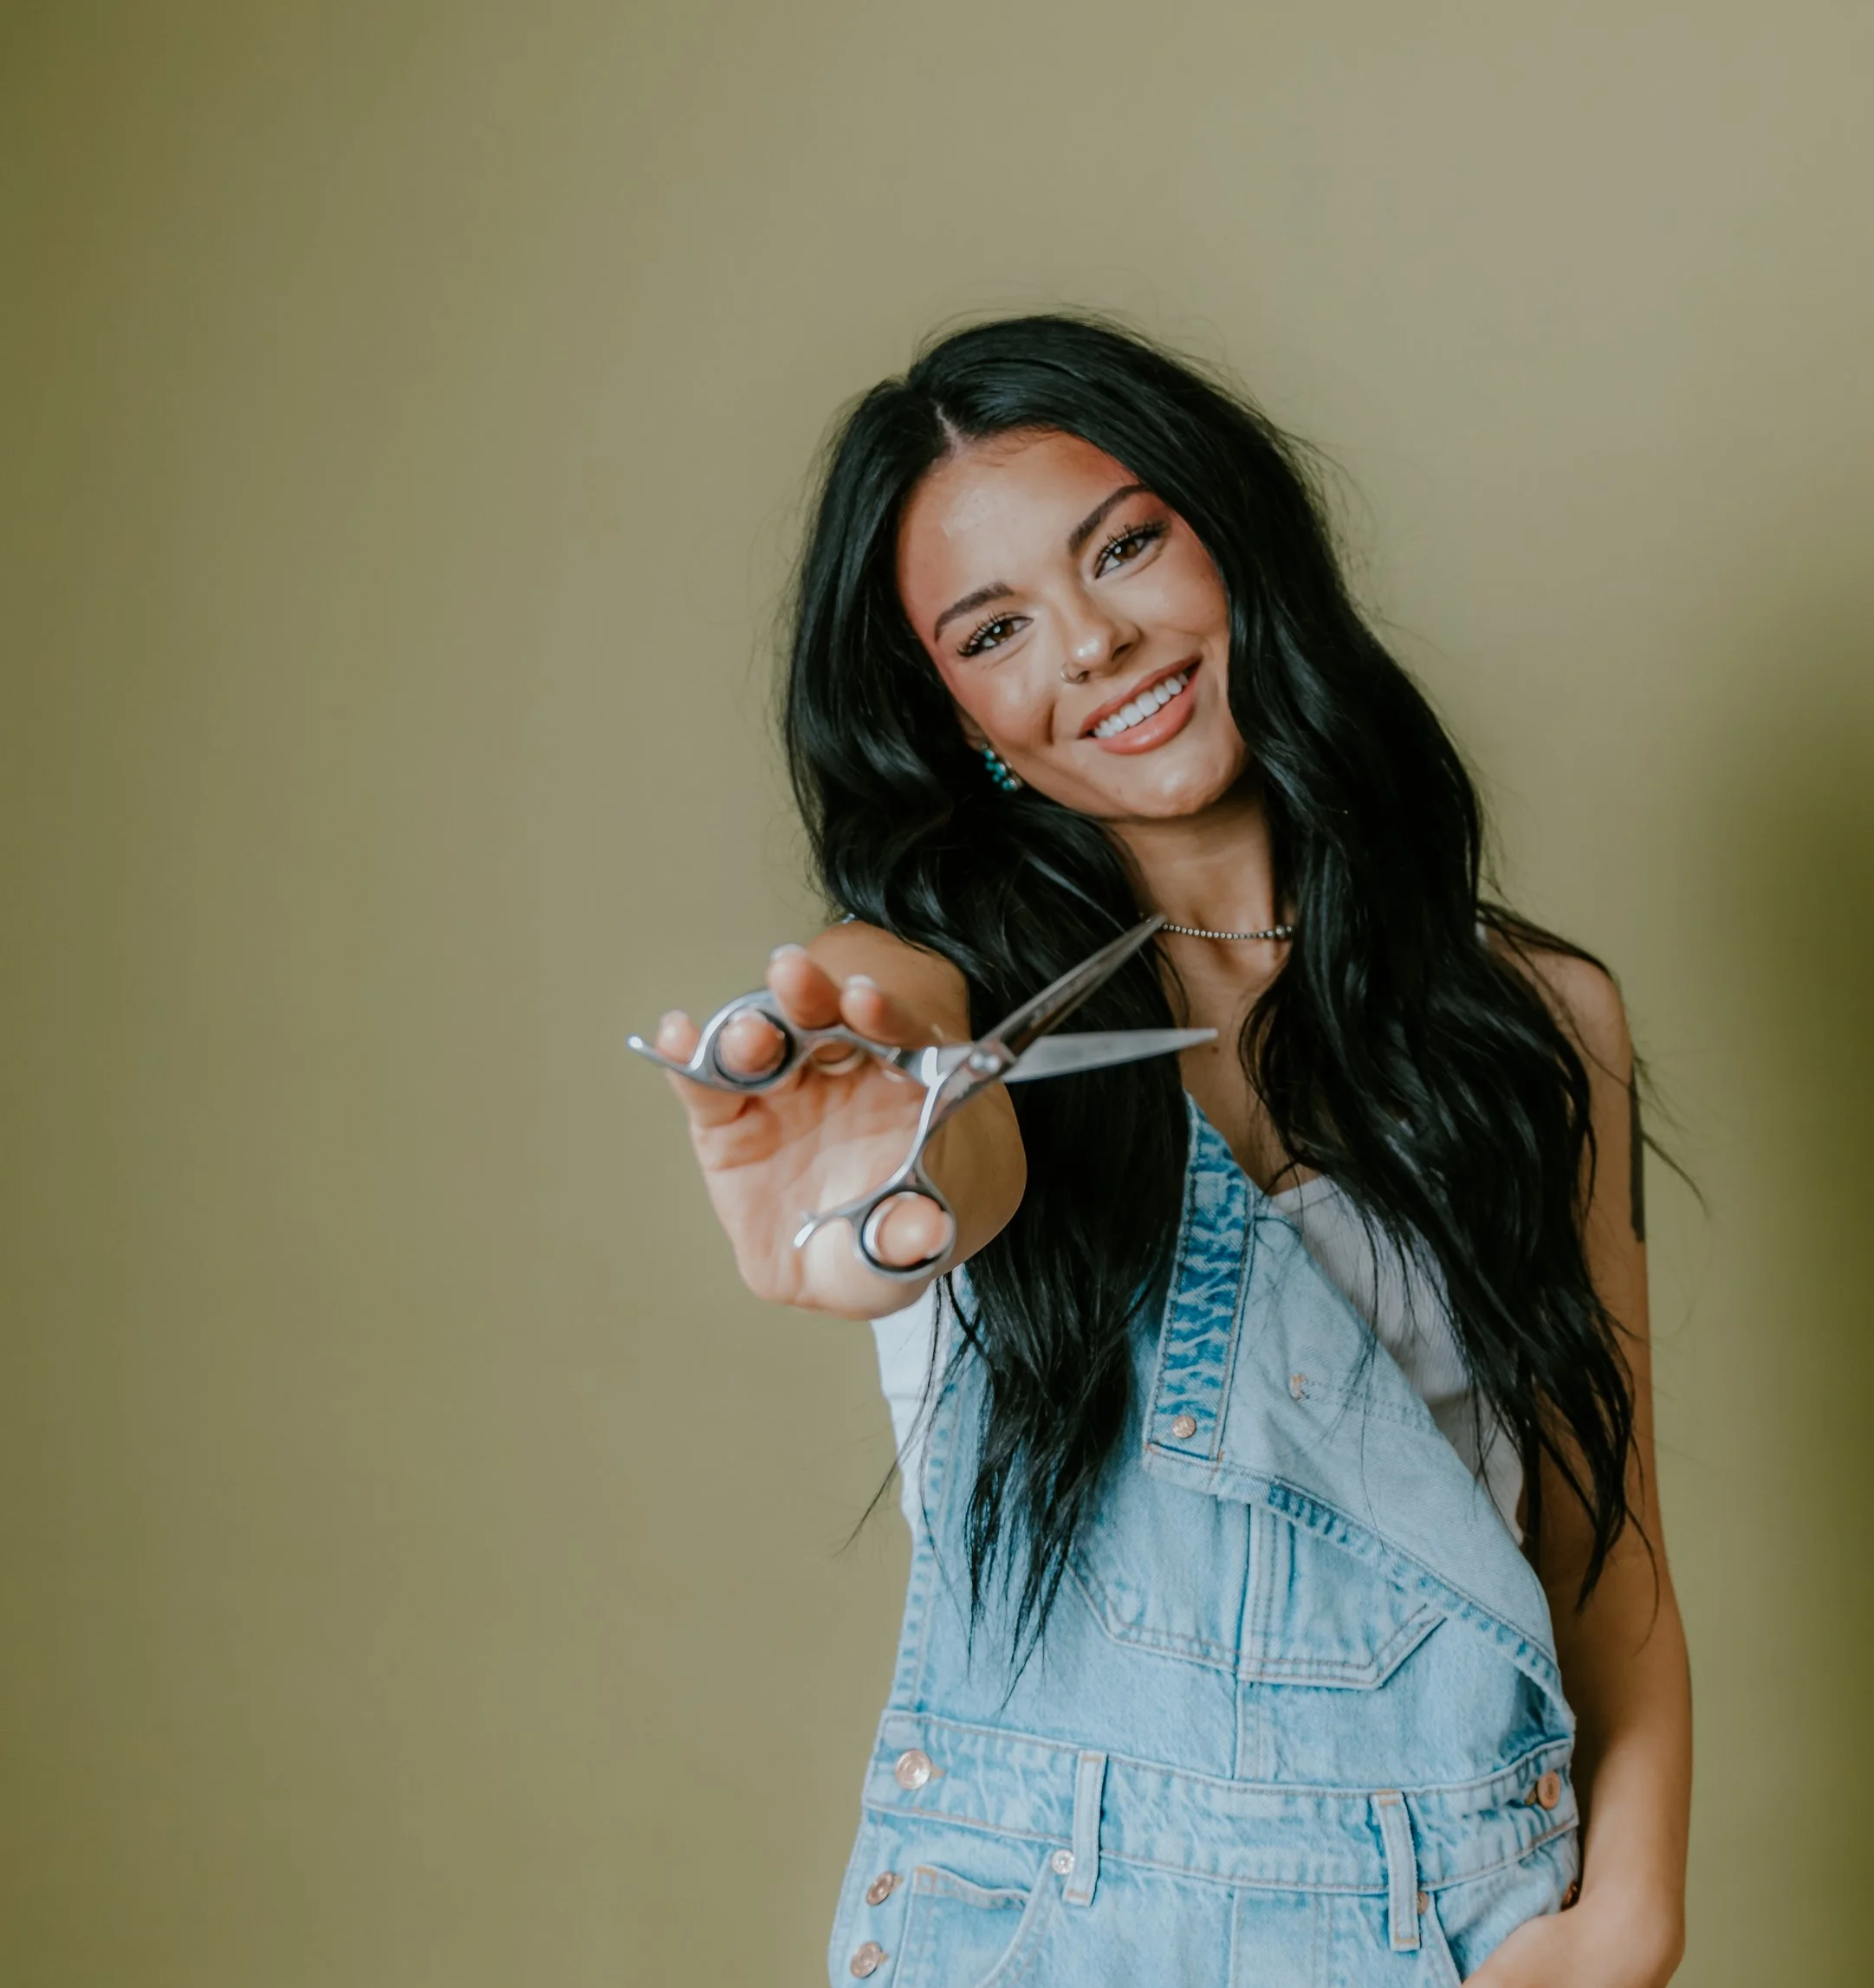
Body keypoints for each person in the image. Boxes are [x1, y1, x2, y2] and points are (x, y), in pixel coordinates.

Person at [644, 316, 1690, 1985]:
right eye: (996, 630)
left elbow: (1604, 1540)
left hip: (1472, 1920)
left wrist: (1626, 1923)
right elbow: (928, 1112)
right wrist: (873, 1193)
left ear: (1232, 537)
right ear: (959, 716)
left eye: (1124, 546)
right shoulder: (946, 1005)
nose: (1095, 643)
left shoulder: (1538, 1019)